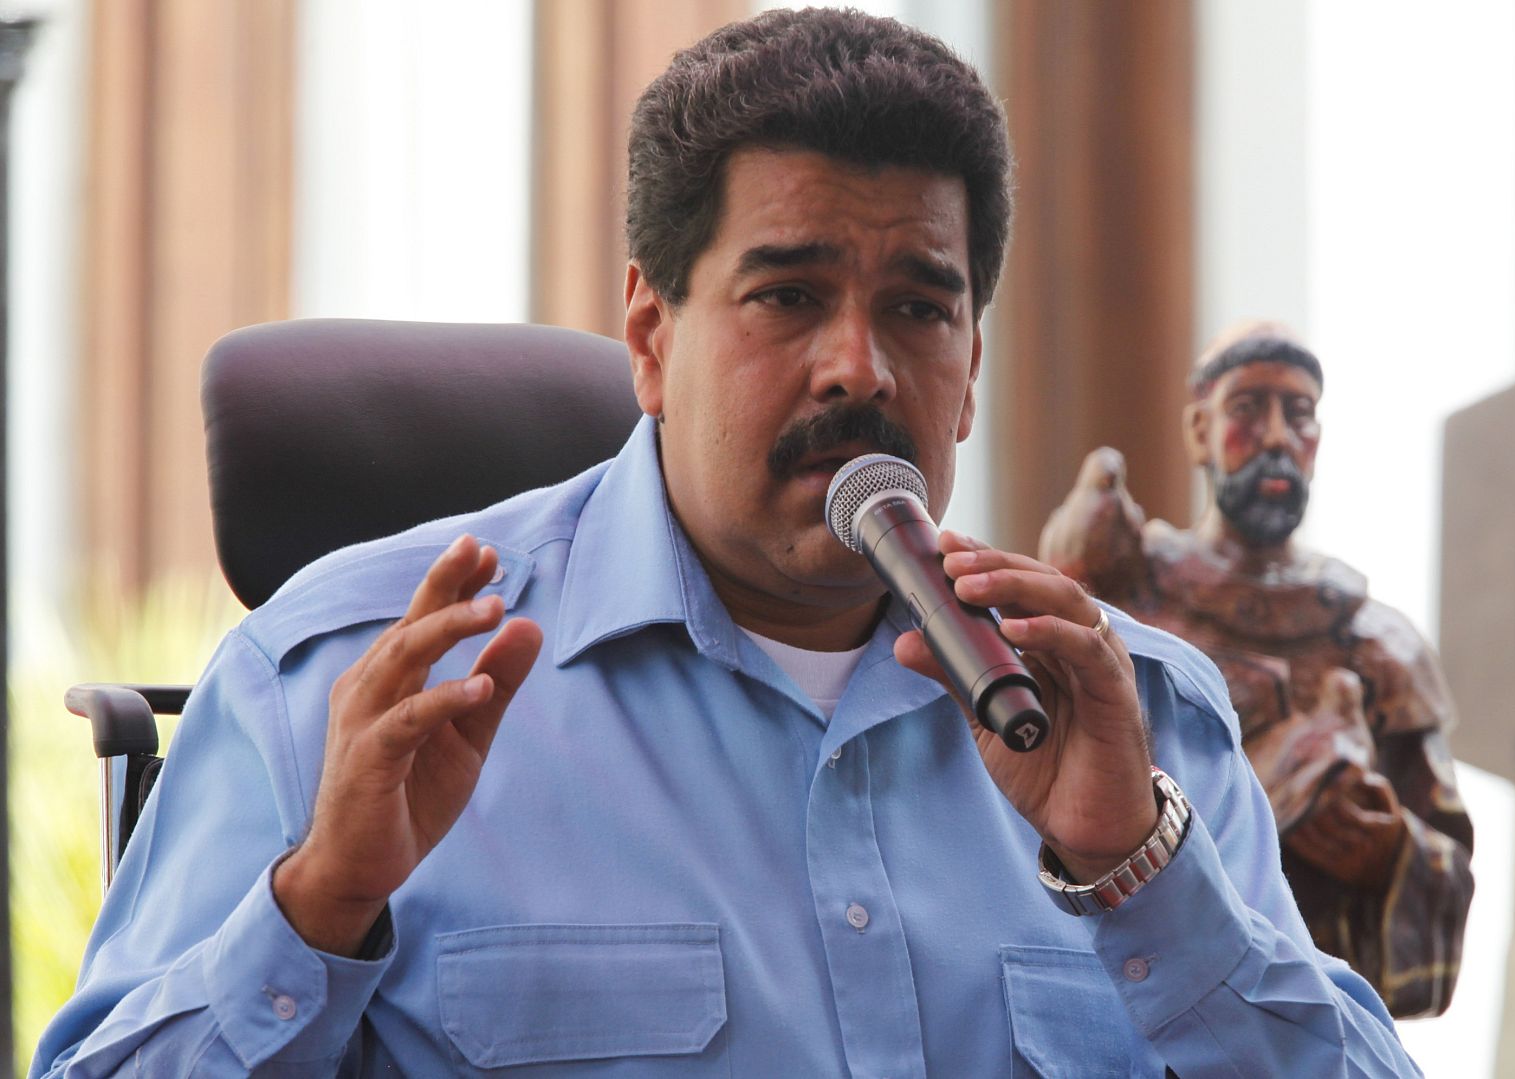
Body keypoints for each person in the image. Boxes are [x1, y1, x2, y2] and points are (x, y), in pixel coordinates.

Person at [34, 12, 1419, 1076]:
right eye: (789, 295)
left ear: (971, 370)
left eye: (920, 308)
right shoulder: (337, 680)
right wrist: (319, 903)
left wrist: (1137, 870)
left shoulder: (1136, 712)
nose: (858, 366)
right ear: (651, 335)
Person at [1039, 321, 1475, 1018]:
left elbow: (1448, 859)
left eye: (1299, 414)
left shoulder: (1378, 643)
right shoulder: (1132, 605)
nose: (1276, 437)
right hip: (1142, 1007)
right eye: (1247, 409)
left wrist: (1386, 853)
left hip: (1317, 1024)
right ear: (1200, 431)